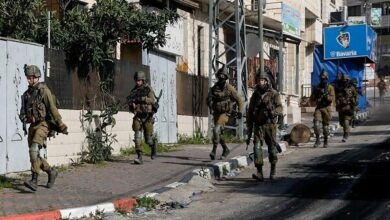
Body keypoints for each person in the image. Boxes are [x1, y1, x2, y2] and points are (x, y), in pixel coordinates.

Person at [19, 65, 68, 192]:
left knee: (34, 149)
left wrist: (60, 123)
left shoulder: (43, 90)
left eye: (31, 77)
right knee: (33, 155)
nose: (29, 80)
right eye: (28, 77)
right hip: (32, 126)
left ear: (37, 77)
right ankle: (51, 172)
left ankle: (34, 180)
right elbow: (22, 112)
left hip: (43, 124)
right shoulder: (26, 95)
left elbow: (52, 107)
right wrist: (24, 118)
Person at [246, 70, 283, 181]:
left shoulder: (273, 93)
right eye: (259, 80)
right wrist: (249, 126)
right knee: (257, 147)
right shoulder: (255, 95)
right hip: (258, 125)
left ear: (267, 81)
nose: (260, 82)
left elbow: (280, 107)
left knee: (272, 148)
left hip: (270, 125)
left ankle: (273, 169)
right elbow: (250, 111)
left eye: (262, 80)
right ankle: (259, 172)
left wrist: (274, 113)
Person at [207, 67, 244, 160]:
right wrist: (211, 106)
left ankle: (214, 150)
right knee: (219, 133)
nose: (221, 77)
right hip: (216, 113)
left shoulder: (229, 88)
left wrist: (240, 111)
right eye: (220, 76)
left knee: (216, 130)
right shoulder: (214, 88)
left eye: (223, 76)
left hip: (225, 113)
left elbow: (239, 99)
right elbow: (208, 99)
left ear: (226, 77)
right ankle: (225, 149)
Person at [127, 71, 157, 165]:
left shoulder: (148, 89)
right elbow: (131, 106)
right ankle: (139, 157)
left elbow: (152, 100)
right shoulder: (134, 91)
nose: (137, 82)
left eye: (139, 80)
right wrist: (132, 105)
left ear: (143, 80)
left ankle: (153, 146)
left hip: (147, 116)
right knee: (137, 136)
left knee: (148, 139)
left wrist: (143, 99)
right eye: (136, 80)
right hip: (138, 116)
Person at [309, 70, 335, 148]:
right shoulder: (317, 88)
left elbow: (332, 98)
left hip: (327, 108)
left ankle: (326, 141)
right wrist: (317, 99)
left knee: (325, 126)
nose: (323, 80)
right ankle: (317, 140)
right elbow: (312, 99)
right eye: (321, 78)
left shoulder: (330, 87)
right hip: (319, 108)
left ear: (327, 78)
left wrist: (326, 96)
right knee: (316, 125)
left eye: (324, 78)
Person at [335, 73, 358, 142]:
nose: (344, 81)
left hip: (348, 107)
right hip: (341, 108)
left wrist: (354, 103)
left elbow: (355, 95)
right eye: (343, 80)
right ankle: (347, 129)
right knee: (342, 123)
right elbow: (335, 96)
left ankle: (345, 135)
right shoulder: (338, 87)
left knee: (345, 122)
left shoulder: (351, 87)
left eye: (345, 80)